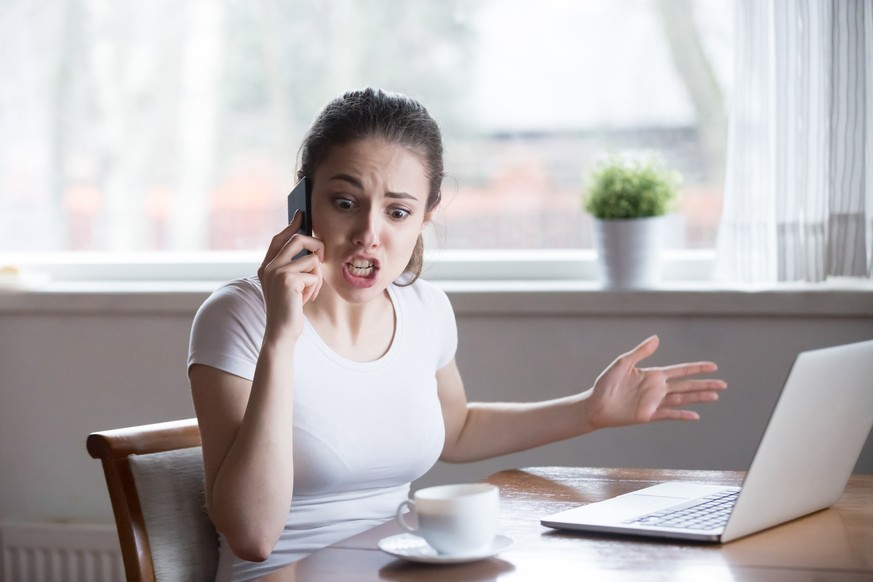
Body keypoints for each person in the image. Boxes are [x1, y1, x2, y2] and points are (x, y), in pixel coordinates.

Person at [187, 88, 727, 582]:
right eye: (345, 203)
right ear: (302, 204)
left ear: (426, 217)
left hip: (398, 569)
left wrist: (590, 410)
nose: (369, 235)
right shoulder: (239, 316)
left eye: (398, 211)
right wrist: (283, 334)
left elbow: (458, 430)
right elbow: (253, 537)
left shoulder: (425, 309)